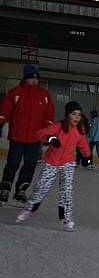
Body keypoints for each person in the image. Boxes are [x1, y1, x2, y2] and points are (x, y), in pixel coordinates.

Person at [15, 101, 91, 231]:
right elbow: (39, 133)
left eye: (79, 115)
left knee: (67, 190)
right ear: (68, 115)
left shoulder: (80, 130)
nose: (77, 117)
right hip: (51, 162)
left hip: (67, 162)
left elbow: (83, 145)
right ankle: (29, 209)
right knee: (41, 187)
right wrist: (50, 138)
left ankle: (66, 218)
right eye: (74, 114)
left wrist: (87, 157)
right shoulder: (58, 126)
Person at [0, 64, 54, 205]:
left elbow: (48, 116)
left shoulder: (44, 95)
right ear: (25, 79)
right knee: (13, 162)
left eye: (36, 79)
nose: (34, 81)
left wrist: (47, 133)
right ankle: (5, 188)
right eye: (31, 78)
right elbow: (5, 111)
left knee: (30, 164)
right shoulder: (15, 93)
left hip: (35, 139)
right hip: (17, 136)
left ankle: (21, 189)